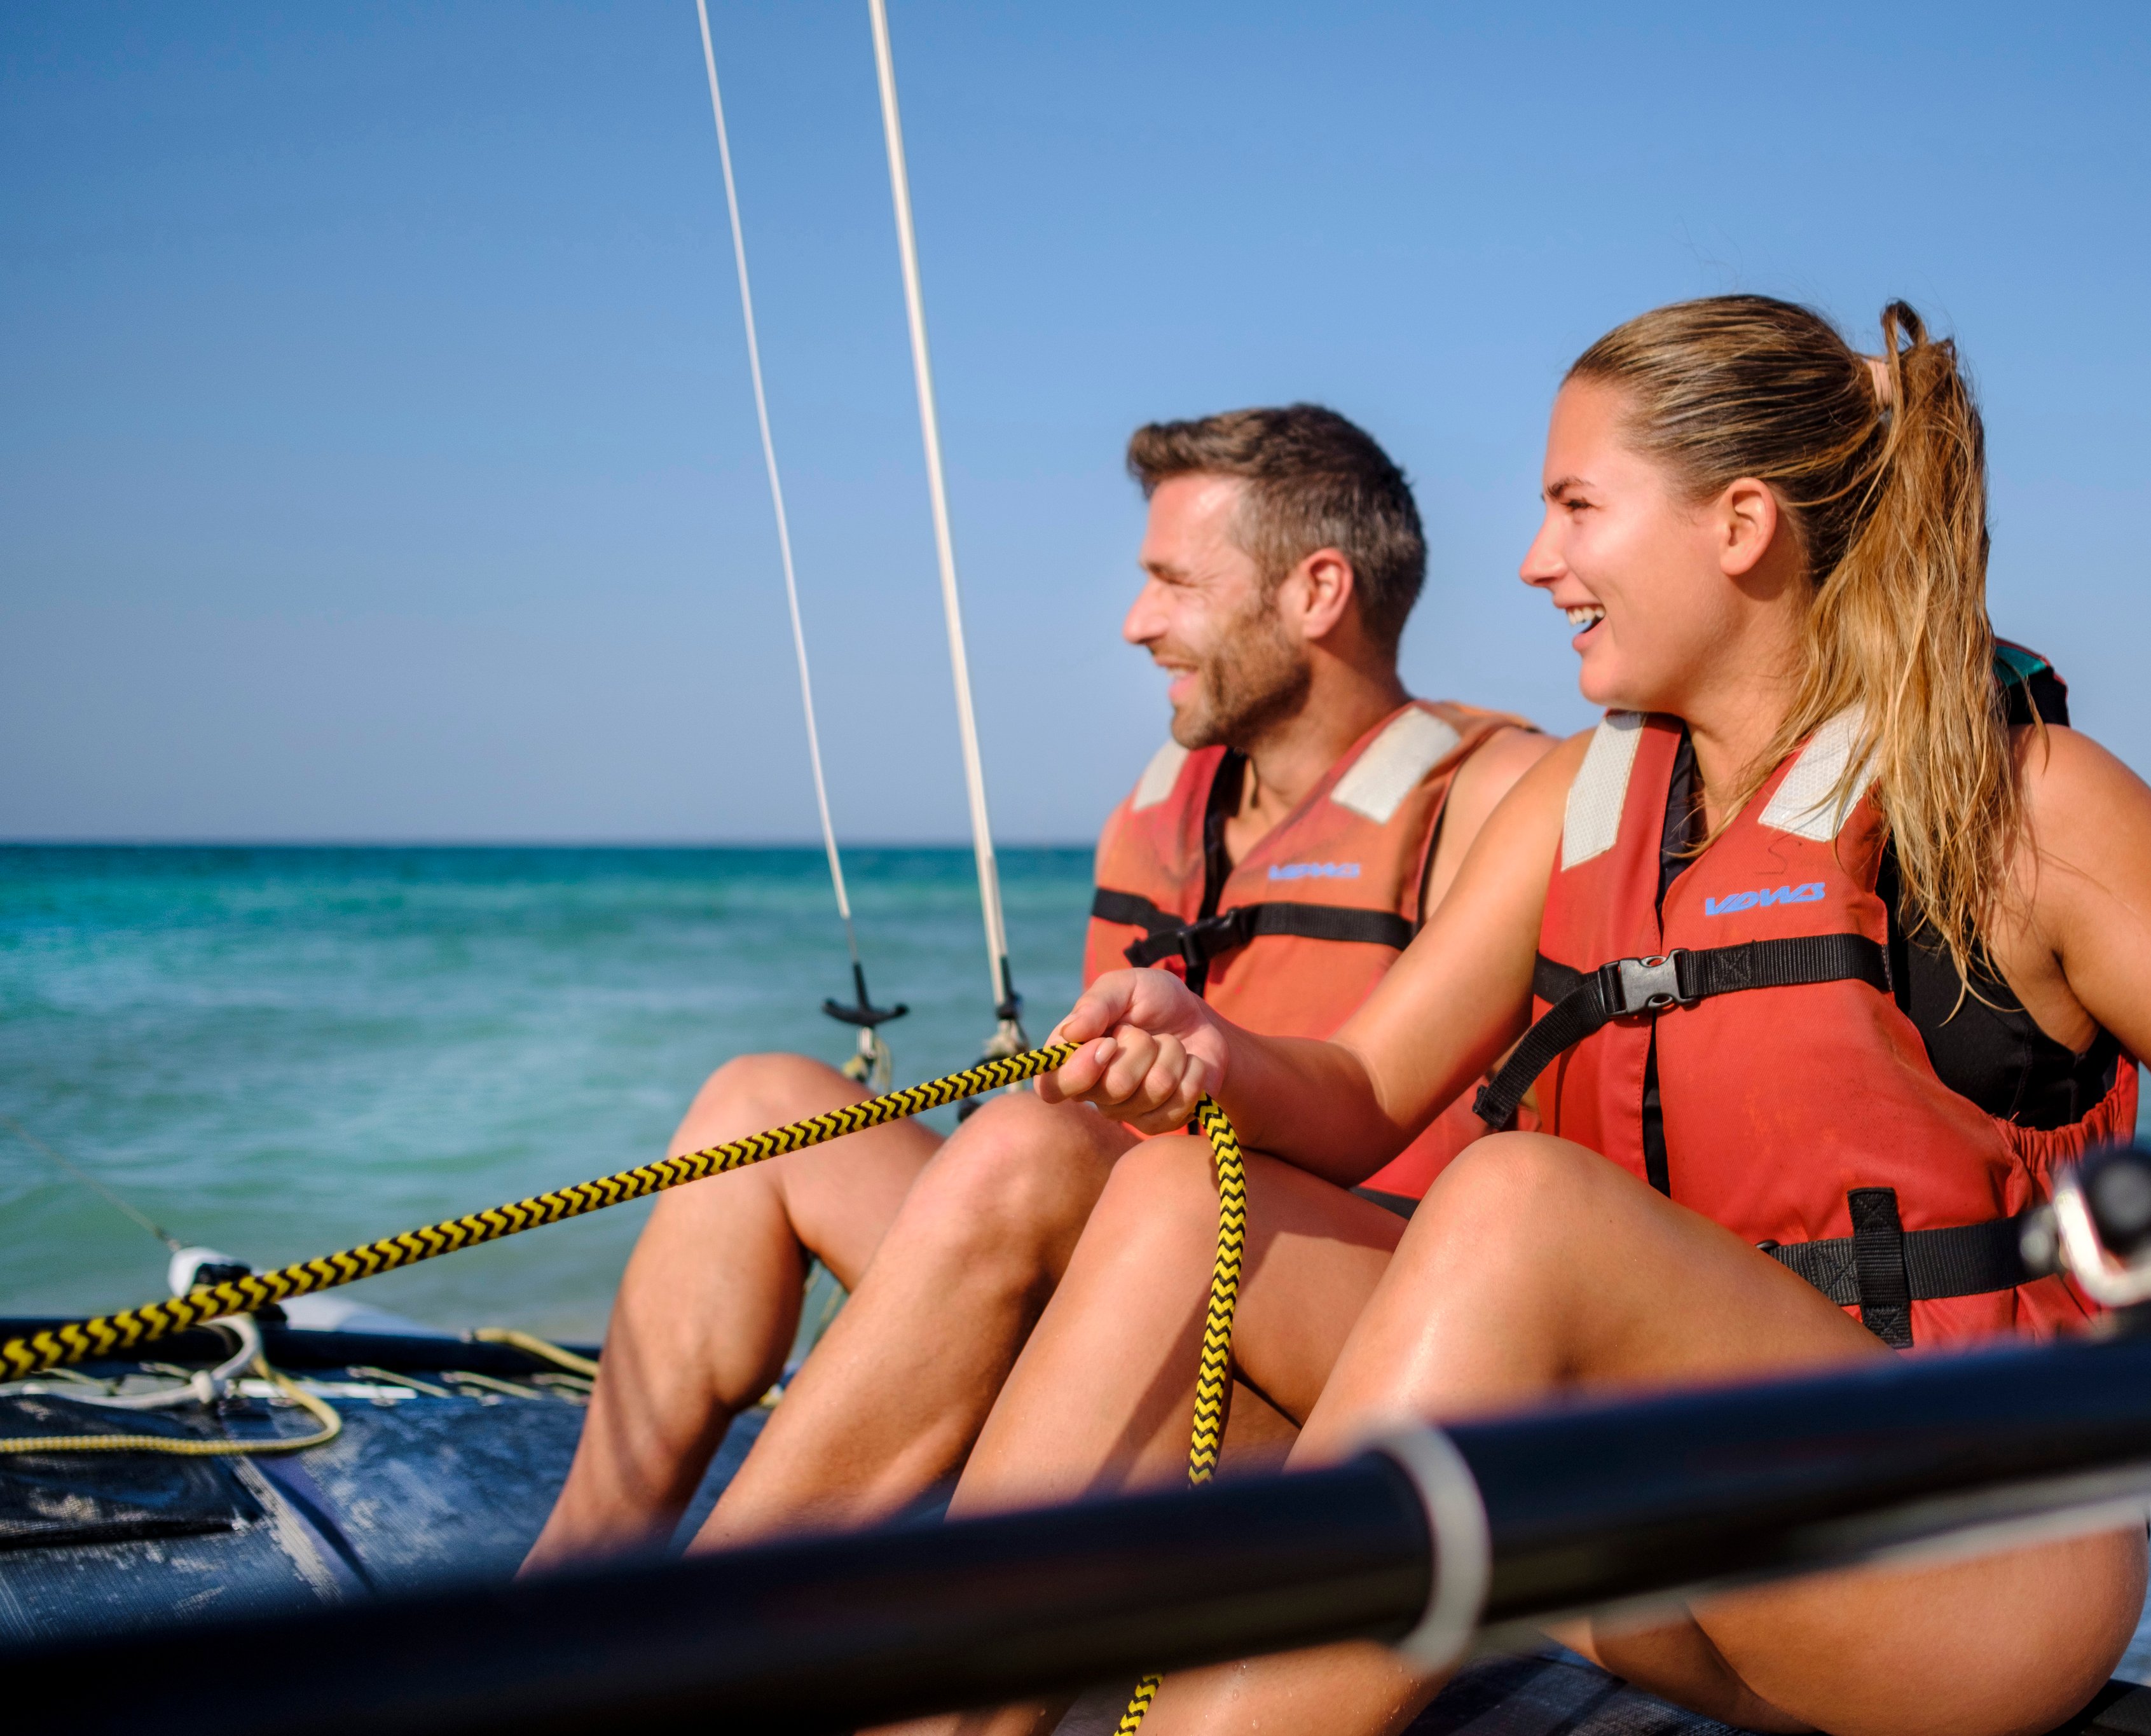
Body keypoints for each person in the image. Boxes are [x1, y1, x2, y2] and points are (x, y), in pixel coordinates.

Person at [928, 297, 2151, 1736]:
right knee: (1176, 1195)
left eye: (1575, 506)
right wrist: (1210, 1050)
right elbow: (1360, 1090)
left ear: (1738, 525)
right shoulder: (1579, 802)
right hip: (1671, 1521)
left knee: (1518, 1199)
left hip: (1963, 1555)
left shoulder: (2029, 806)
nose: (1533, 560)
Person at [520, 406, 1548, 1570]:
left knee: (1024, 1148)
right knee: (758, 1103)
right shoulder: (1156, 816)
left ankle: (697, 1640)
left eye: (1174, 582)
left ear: (1318, 592)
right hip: (1116, 1289)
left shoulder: (1497, 801)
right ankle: (557, 1600)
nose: (1136, 622)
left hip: (1334, 1363)